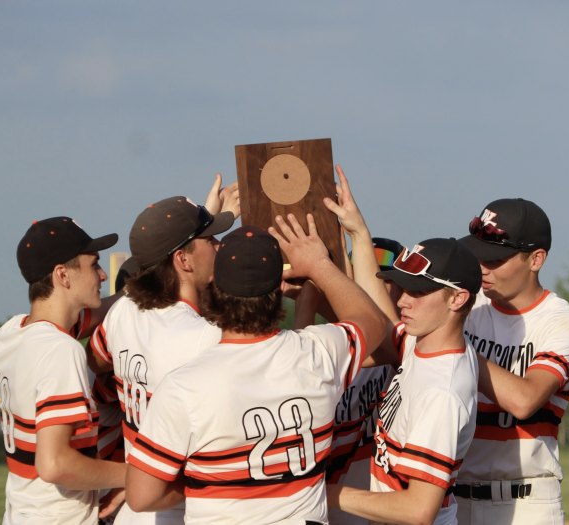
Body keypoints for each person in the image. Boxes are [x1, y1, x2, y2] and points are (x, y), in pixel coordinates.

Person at [125, 215, 388, 524]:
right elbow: (372, 321)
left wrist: (207, 481)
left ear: (216, 288)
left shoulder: (183, 387)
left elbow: (141, 497)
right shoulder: (318, 354)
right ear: (278, 288)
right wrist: (319, 265)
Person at [323, 166, 480, 524]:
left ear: (457, 299)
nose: (404, 300)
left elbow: (418, 509)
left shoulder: (441, 392)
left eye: (420, 291)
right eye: (403, 287)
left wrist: (328, 493)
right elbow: (383, 314)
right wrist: (359, 234)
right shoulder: (424, 344)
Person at [87, 187, 238, 524]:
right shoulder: (206, 337)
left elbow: (93, 363)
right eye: (210, 240)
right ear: (183, 260)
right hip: (182, 507)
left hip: (134, 506)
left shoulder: (122, 312)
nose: (219, 246)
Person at [455, 198, 569, 525]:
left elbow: (524, 399)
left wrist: (450, 345)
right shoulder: (465, 306)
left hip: (525, 505)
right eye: (478, 254)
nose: (482, 266)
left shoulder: (564, 322)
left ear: (536, 259)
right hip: (452, 501)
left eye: (495, 258)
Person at [0, 216, 127, 524]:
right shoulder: (60, 350)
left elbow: (101, 311)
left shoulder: (12, 332)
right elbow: (55, 464)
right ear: (63, 275)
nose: (103, 274)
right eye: (93, 264)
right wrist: (137, 476)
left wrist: (142, 285)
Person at [325, 237, 403, 525]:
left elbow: (387, 344)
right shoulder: (327, 345)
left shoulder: (412, 347)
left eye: (383, 281)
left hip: (385, 508)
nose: (370, 290)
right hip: (332, 511)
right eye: (358, 278)